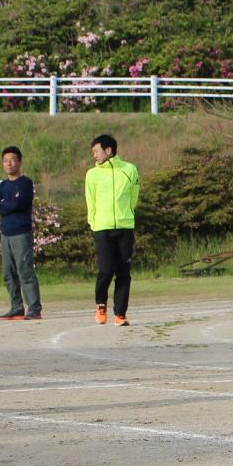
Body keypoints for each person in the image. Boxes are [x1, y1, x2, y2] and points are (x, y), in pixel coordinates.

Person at [85, 133, 139, 326]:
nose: (95, 156)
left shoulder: (130, 169)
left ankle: (120, 313)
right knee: (106, 270)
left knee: (124, 272)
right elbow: (90, 201)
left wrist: (127, 215)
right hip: (102, 227)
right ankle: (101, 304)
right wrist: (94, 223)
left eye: (96, 151)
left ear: (108, 150)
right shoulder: (92, 174)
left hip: (125, 227)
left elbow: (134, 196)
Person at [0, 146, 41, 322]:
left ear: (19, 162)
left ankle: (34, 307)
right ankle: (16, 306)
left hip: (21, 232)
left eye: (12, 160)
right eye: (6, 161)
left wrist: (8, 205)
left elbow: (17, 204)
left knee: (25, 270)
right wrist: (7, 205)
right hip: (5, 233)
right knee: (8, 272)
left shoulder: (25, 183)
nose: (9, 164)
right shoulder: (2, 185)